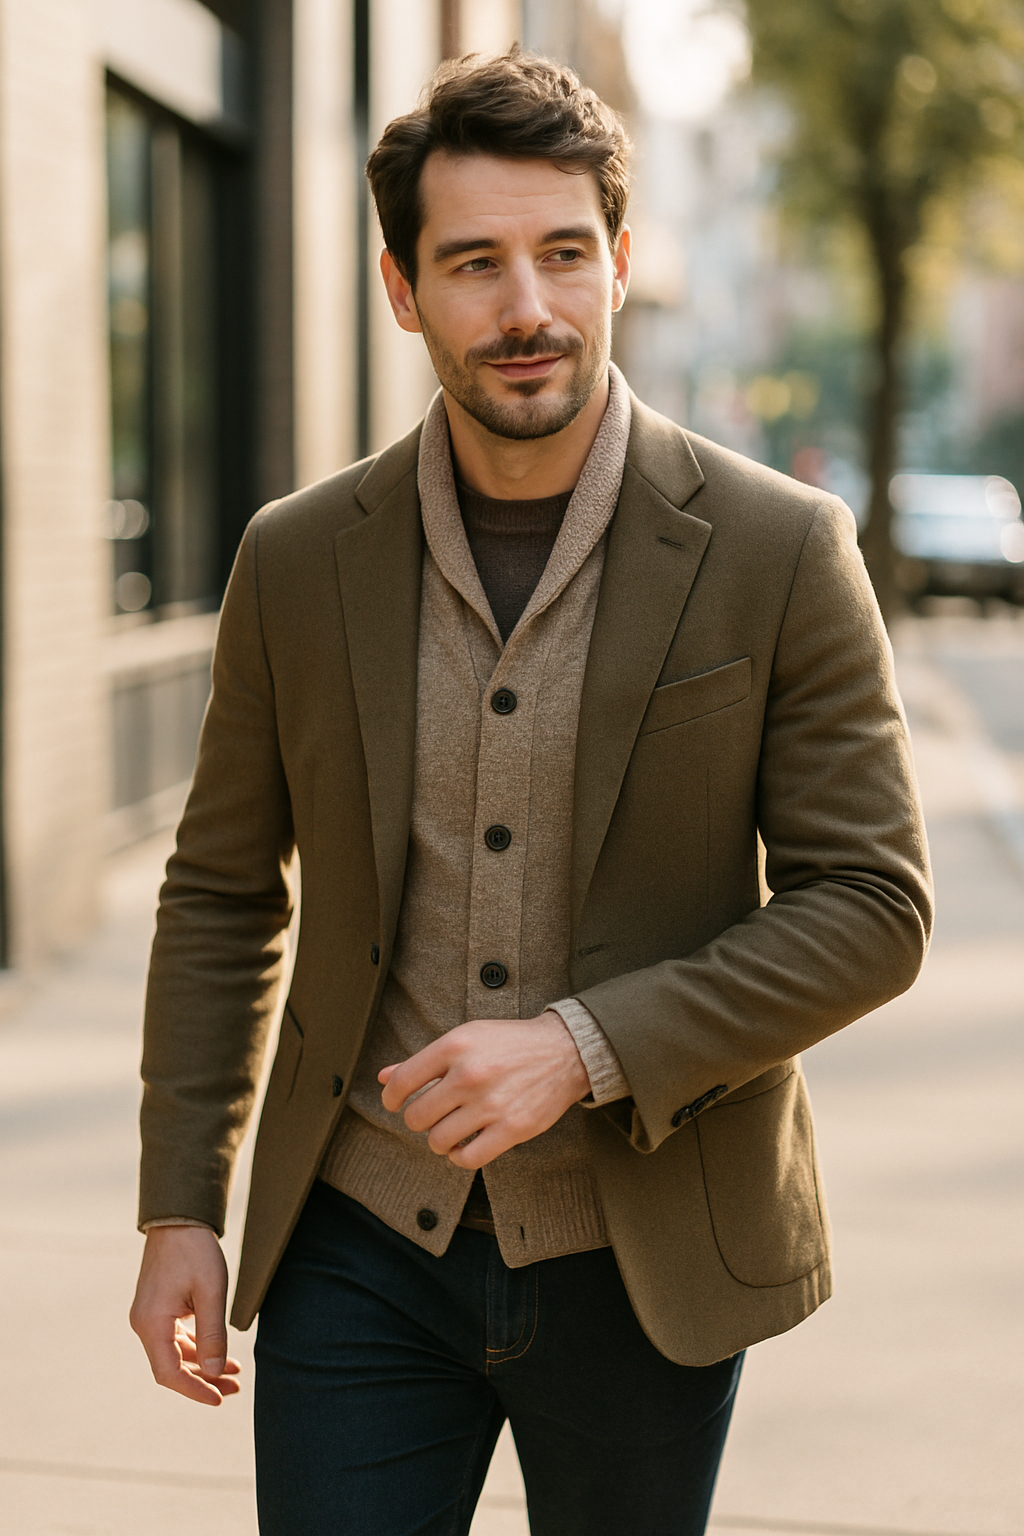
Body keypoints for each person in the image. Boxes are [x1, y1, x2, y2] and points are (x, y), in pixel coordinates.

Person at [130, 49, 933, 1536]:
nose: (527, 309)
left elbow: (873, 907)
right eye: (475, 263)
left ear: (620, 262)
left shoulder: (780, 549)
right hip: (357, 1247)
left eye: (565, 254)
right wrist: (182, 1199)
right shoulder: (297, 562)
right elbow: (223, 890)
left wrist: (581, 1050)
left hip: (650, 1255)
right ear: (400, 287)